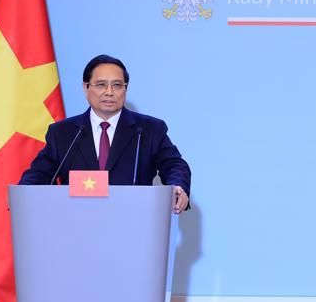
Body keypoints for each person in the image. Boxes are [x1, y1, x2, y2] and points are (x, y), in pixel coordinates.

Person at [19, 55, 191, 213]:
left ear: (125, 89)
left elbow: (175, 165)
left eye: (117, 85)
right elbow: (39, 174)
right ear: (86, 88)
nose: (109, 92)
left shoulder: (149, 129)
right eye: (101, 85)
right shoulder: (63, 133)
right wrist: (21, 195)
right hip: (75, 227)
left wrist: (178, 187)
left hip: (134, 224)